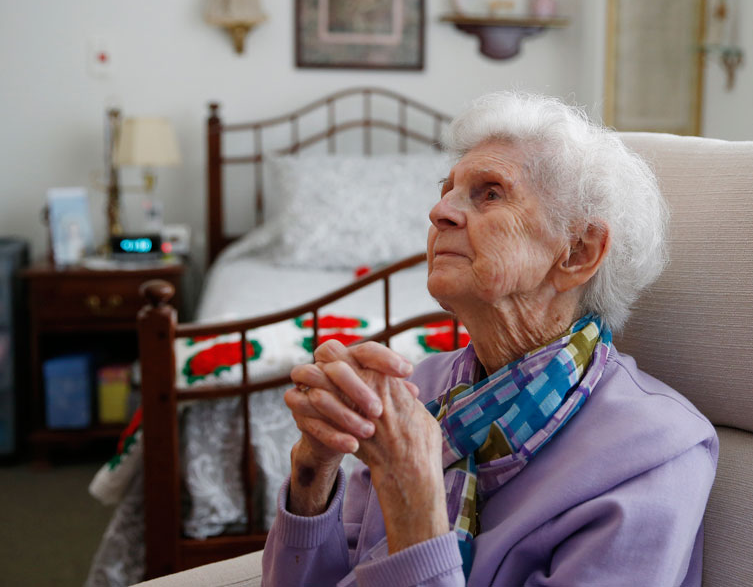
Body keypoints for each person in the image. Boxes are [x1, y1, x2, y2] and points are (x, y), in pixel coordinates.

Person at [262, 92, 718, 586]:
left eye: (491, 193)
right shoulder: (421, 387)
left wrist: (413, 498)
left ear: (577, 253)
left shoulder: (655, 451)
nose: (441, 212)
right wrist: (314, 468)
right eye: (447, 190)